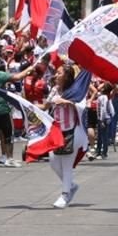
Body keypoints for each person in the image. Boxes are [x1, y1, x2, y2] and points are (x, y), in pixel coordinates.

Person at [46, 65, 89, 209]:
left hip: (72, 131)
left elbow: (82, 106)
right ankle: (71, 185)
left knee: (66, 165)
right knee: (53, 162)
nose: (56, 75)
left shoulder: (76, 91)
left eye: (59, 73)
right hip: (56, 131)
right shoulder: (54, 90)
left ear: (66, 76)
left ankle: (65, 195)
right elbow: (45, 106)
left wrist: (67, 102)